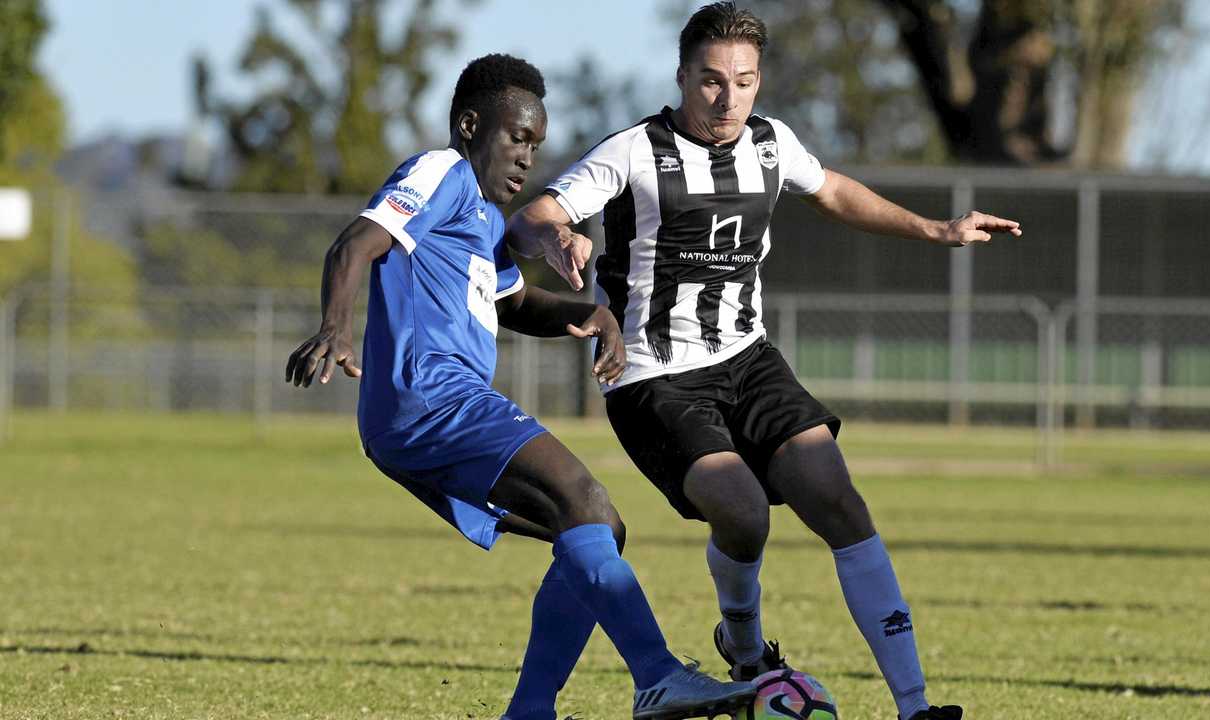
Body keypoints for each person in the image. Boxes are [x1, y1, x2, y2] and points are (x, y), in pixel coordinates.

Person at [506, 6, 1023, 720]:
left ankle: (915, 707)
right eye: (712, 82)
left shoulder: (773, 144)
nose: (727, 99)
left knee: (838, 499)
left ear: (759, 82)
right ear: (683, 76)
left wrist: (935, 228)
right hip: (654, 378)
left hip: (749, 361)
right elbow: (533, 214)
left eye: (744, 82)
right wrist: (560, 235)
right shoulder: (633, 152)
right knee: (744, 514)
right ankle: (744, 650)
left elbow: (834, 190)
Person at [285, 53, 755, 720]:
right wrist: (336, 326)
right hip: (432, 397)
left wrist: (592, 315)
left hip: (426, 415)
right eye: (516, 137)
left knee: (595, 528)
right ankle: (656, 676)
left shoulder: (481, 223)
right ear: (471, 126)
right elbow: (355, 243)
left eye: (535, 144)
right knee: (585, 502)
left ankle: (530, 710)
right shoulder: (440, 171)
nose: (527, 157)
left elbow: (514, 305)